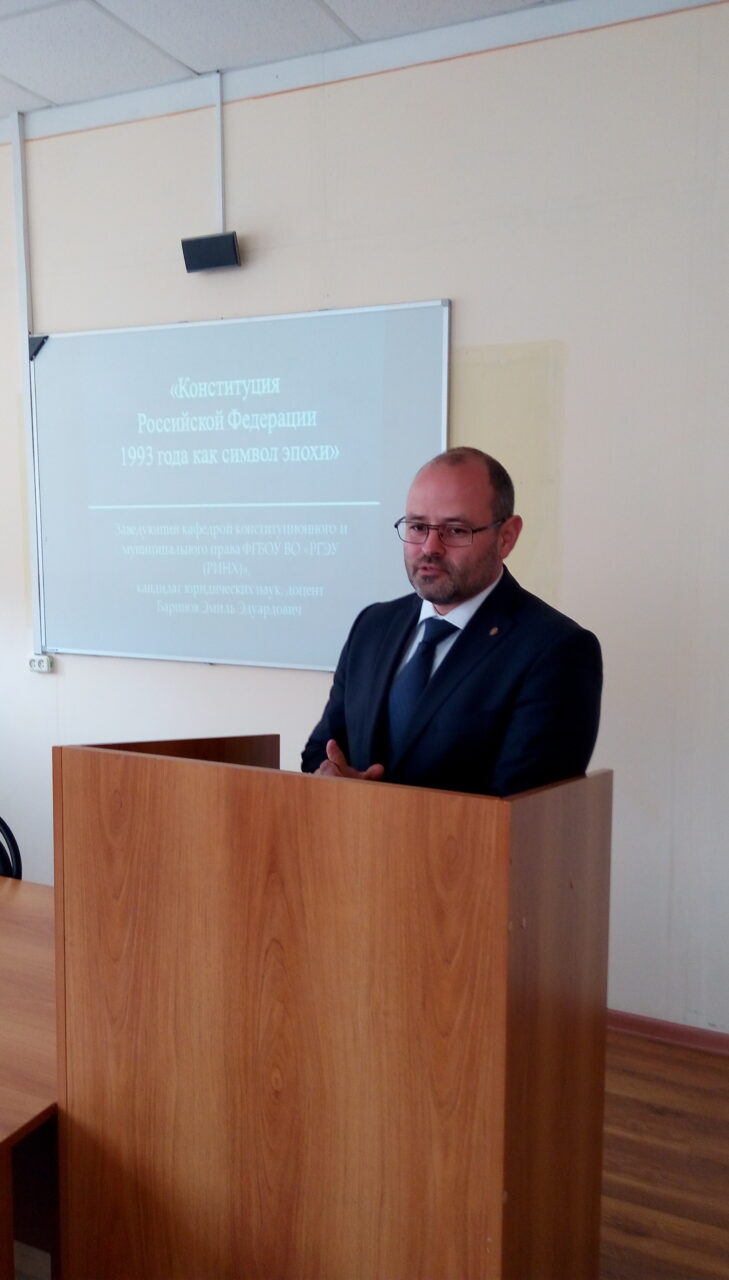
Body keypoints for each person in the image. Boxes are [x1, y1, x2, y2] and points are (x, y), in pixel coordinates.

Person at [301, 446, 602, 797]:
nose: (430, 547)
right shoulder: (373, 626)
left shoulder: (557, 650)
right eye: (417, 526)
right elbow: (320, 753)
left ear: (506, 537)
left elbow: (520, 809)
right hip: (350, 833)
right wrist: (334, 780)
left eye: (456, 530)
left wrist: (375, 806)